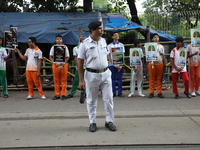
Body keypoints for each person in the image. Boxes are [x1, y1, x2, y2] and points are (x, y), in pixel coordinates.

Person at [78, 20, 116, 132]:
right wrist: (81, 80)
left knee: (109, 98)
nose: (101, 30)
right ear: (92, 30)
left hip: (105, 73)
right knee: (91, 99)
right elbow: (80, 62)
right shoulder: (84, 44)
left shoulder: (103, 41)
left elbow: (108, 55)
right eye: (99, 28)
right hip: (91, 75)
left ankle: (109, 121)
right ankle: (92, 122)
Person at [49, 35, 70, 100]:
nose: (59, 40)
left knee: (64, 80)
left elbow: (67, 57)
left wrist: (62, 65)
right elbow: (50, 56)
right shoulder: (53, 47)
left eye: (60, 39)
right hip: (55, 65)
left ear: (62, 40)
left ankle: (63, 94)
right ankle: (57, 95)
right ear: (55, 40)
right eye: (57, 39)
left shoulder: (65, 47)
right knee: (56, 80)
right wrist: (55, 63)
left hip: (63, 65)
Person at [148, 33, 166, 98]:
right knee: (152, 78)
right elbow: (147, 55)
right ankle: (151, 92)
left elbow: (163, 56)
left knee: (159, 79)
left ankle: (159, 92)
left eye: (157, 37)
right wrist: (150, 61)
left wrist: (164, 64)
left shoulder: (161, 46)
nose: (156, 38)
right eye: (155, 37)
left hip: (159, 63)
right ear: (152, 39)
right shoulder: (149, 46)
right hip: (152, 64)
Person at [107, 32, 125, 98]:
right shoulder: (109, 45)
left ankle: (120, 92)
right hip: (112, 65)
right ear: (112, 37)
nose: (116, 36)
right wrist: (113, 64)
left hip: (120, 64)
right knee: (113, 78)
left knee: (119, 79)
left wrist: (121, 65)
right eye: (114, 35)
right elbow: (108, 56)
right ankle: (113, 92)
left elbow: (122, 55)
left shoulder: (121, 45)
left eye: (117, 35)